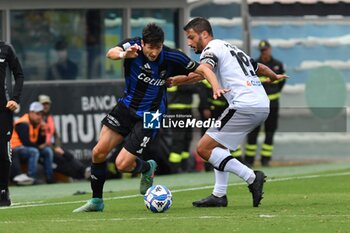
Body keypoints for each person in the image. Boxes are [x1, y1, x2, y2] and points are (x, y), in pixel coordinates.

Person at [73, 23, 226, 213]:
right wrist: (124, 54)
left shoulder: (171, 56)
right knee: (98, 153)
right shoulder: (133, 47)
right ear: (143, 43)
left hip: (151, 114)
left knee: (122, 164)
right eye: (150, 47)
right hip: (126, 107)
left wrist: (214, 85)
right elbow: (110, 52)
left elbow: (203, 70)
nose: (154, 52)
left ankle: (146, 168)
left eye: (158, 47)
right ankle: (97, 201)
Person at [178, 17, 287, 207]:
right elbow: (259, 67)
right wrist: (274, 75)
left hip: (245, 105)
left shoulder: (211, 50)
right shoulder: (230, 48)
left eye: (191, 37)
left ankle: (252, 177)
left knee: (203, 148)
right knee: (218, 147)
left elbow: (205, 69)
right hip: (260, 104)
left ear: (204, 34)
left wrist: (214, 86)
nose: (189, 42)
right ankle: (219, 195)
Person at [244, 40, 286, 167]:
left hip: (273, 105)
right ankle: (249, 160)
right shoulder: (255, 65)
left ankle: (265, 159)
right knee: (253, 131)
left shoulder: (277, 64)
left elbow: (281, 82)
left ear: (270, 49)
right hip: (258, 105)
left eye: (266, 50)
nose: (265, 53)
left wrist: (274, 90)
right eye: (262, 51)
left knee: (270, 131)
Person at [38, 94, 90, 180]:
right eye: (43, 104)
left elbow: (56, 135)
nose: (45, 106)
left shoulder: (49, 118)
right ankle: (83, 173)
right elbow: (39, 140)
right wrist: (54, 148)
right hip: (44, 149)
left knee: (67, 155)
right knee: (63, 161)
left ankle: (83, 172)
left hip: (53, 147)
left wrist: (57, 146)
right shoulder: (37, 119)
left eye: (47, 104)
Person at [0, 41, 24, 207]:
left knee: (3, 153)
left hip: (3, 110)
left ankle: (3, 191)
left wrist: (15, 98)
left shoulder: (6, 48)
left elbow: (19, 74)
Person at [11, 102, 55, 184]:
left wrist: (42, 132)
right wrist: (39, 147)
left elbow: (39, 142)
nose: (39, 117)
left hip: (27, 149)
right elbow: (26, 142)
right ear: (31, 113)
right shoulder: (23, 123)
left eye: (41, 114)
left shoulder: (37, 123)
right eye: (37, 114)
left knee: (47, 151)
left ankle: (50, 178)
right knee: (34, 151)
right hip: (16, 149)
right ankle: (31, 178)